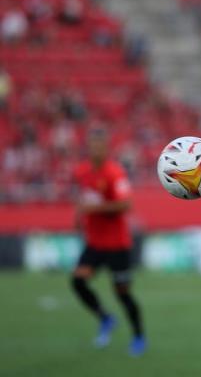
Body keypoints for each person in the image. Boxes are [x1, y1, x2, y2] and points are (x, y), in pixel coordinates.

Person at [71, 127, 145, 356]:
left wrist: (93, 208)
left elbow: (126, 205)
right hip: (95, 242)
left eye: (100, 145)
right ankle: (105, 318)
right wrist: (79, 216)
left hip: (117, 244)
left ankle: (138, 336)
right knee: (78, 281)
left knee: (122, 293)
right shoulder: (81, 171)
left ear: (106, 148)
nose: (95, 150)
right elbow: (82, 198)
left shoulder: (115, 173)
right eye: (92, 145)